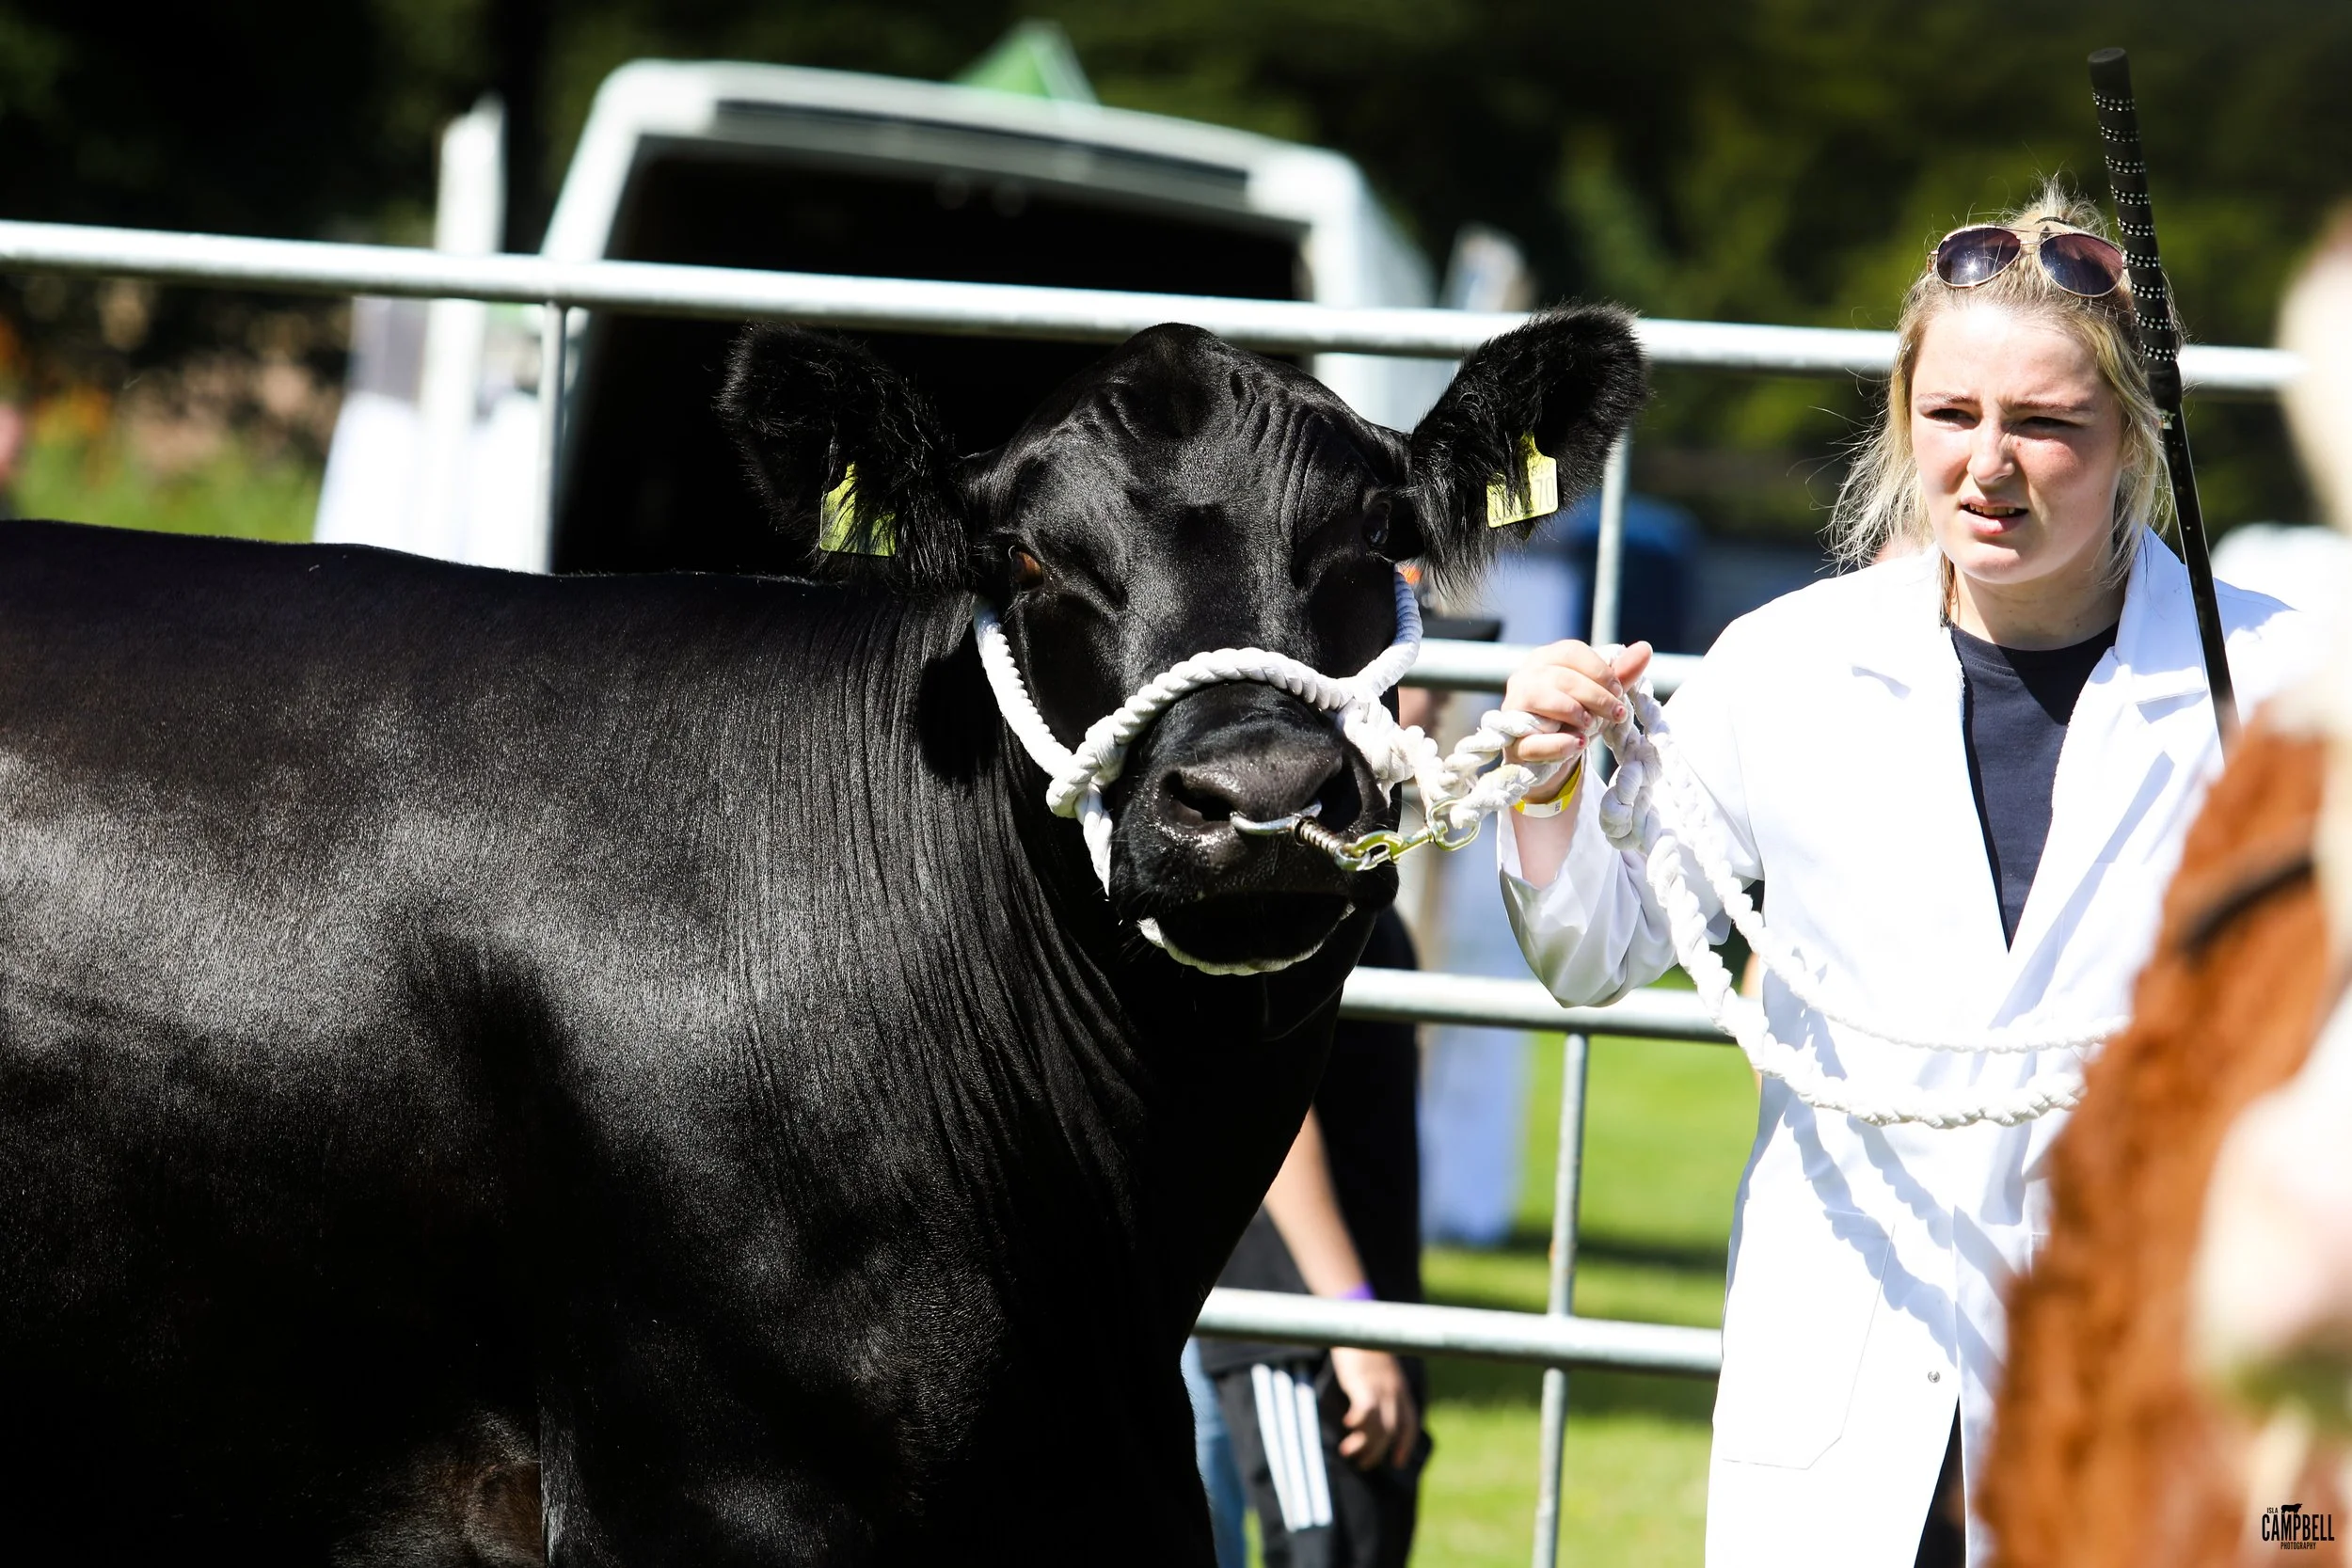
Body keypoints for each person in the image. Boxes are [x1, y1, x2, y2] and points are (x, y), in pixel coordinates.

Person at [1494, 182, 2310, 1568]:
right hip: (1849, 1396)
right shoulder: (1788, 662)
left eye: (2048, 423)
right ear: (1902, 419)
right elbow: (1595, 950)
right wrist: (1552, 774)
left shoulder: (2283, 686)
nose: (1991, 464)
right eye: (1955, 416)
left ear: (2132, 437)